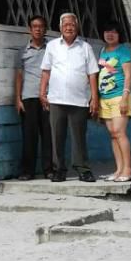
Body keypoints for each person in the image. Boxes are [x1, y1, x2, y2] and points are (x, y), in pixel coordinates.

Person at [38, 13, 100, 182]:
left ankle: (83, 169)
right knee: (56, 136)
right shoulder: (52, 46)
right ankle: (59, 170)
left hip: (79, 100)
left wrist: (94, 98)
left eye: (72, 24)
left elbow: (92, 74)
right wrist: (42, 92)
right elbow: (46, 71)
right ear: (60, 27)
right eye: (65, 24)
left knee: (79, 137)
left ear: (77, 26)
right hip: (56, 99)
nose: (69, 27)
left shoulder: (85, 47)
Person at [14, 15, 54, 180]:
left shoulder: (51, 49)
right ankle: (27, 171)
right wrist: (17, 99)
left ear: (45, 29)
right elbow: (18, 76)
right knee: (29, 136)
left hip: (48, 97)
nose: (38, 29)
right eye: (34, 26)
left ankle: (49, 170)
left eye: (41, 26)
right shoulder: (22, 52)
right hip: (28, 97)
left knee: (48, 135)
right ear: (30, 29)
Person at [97, 22, 131, 182]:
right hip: (105, 98)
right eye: (107, 31)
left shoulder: (124, 51)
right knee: (113, 135)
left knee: (119, 132)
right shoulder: (103, 51)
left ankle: (128, 169)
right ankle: (118, 170)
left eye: (113, 32)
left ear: (119, 35)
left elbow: (128, 75)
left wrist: (125, 97)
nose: (110, 34)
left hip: (119, 96)